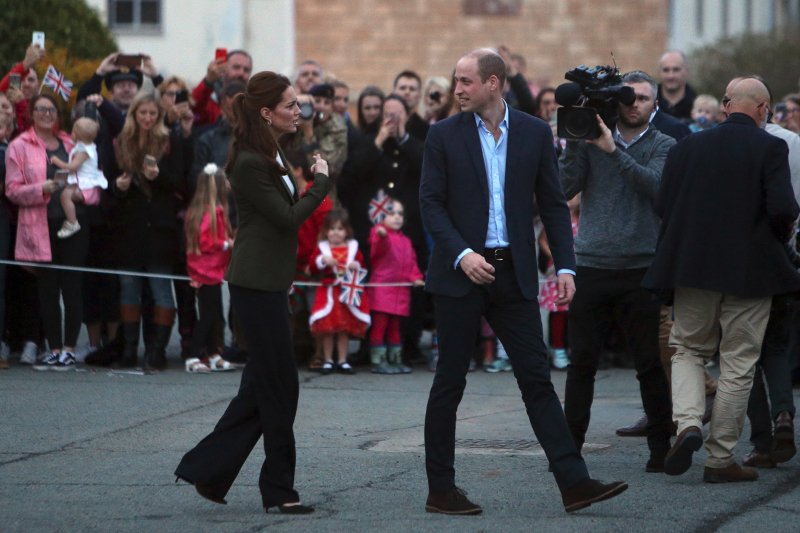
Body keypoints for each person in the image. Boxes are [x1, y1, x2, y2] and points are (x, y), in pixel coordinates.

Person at [419, 48, 626, 515]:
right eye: (456, 81)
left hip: (513, 273)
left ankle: (574, 484)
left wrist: (567, 266)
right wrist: (462, 255)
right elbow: (430, 204)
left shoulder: (533, 133)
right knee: (449, 381)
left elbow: (553, 204)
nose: (457, 90)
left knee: (536, 379)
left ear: (494, 84)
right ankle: (441, 490)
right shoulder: (443, 136)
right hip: (459, 274)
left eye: (466, 81)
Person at [174, 71, 331, 514]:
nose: (298, 112)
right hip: (254, 284)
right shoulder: (248, 160)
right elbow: (286, 217)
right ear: (266, 112)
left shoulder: (270, 151)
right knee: (280, 387)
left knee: (262, 388)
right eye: (290, 105)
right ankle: (278, 490)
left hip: (269, 282)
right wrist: (320, 182)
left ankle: (207, 469)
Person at [643, 77, 800, 483]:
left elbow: (662, 204)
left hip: (691, 269)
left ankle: (689, 423)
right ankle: (720, 458)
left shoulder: (687, 147)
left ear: (726, 105)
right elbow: (784, 208)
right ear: (764, 110)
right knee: (739, 360)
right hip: (751, 272)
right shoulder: (771, 146)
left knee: (688, 350)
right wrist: (775, 240)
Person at [559, 70, 674, 473]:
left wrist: (612, 150)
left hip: (640, 268)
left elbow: (656, 189)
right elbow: (564, 188)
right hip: (591, 264)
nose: (634, 104)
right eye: (628, 98)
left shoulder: (664, 143)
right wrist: (577, 140)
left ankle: (662, 449)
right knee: (581, 365)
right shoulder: (591, 139)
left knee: (648, 364)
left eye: (642, 98)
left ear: (654, 104)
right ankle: (568, 451)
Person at [5, 94, 87, 370]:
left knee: (73, 286)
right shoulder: (19, 146)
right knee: (47, 289)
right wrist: (41, 189)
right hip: (39, 225)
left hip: (71, 223)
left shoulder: (70, 143)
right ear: (31, 113)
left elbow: (89, 178)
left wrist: (82, 196)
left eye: (51, 109)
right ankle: (53, 347)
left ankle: (70, 348)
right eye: (40, 109)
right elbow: (12, 190)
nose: (46, 114)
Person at [108, 92, 187, 370]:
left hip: (160, 227)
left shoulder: (169, 140)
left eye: (153, 114)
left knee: (161, 290)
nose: (148, 118)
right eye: (143, 113)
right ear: (134, 114)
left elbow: (181, 183)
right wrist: (118, 187)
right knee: (128, 289)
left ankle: (157, 351)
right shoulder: (122, 141)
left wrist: (159, 178)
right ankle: (130, 349)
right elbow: (107, 183)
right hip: (129, 226)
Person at [183, 162, 235, 373]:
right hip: (207, 270)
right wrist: (227, 244)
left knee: (213, 314)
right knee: (208, 315)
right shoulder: (212, 212)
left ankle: (214, 354)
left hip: (207, 269)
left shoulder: (203, 210)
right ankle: (193, 355)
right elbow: (206, 242)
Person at [308, 209, 370, 374]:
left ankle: (343, 360)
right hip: (328, 293)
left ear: (347, 231)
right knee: (327, 329)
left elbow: (362, 265)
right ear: (326, 231)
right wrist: (322, 260)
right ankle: (328, 360)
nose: (336, 233)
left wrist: (355, 265)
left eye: (340, 229)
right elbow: (312, 266)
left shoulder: (353, 248)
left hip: (345, 295)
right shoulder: (322, 248)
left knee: (343, 330)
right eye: (332, 229)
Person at [367, 199, 424, 374]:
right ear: (381, 215)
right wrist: (382, 236)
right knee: (380, 326)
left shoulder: (406, 241)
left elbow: (411, 264)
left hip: (401, 292)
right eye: (392, 213)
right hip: (383, 291)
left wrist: (416, 277)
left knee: (395, 328)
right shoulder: (378, 233)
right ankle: (378, 360)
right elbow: (377, 251)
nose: (397, 217)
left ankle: (395, 359)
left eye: (400, 213)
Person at [49, 118, 108, 239]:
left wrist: (57, 161)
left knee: (65, 196)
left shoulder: (84, 151)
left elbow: (72, 167)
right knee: (66, 194)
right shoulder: (86, 146)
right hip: (82, 180)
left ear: (76, 134)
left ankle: (72, 222)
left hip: (86, 183)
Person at [191, 49, 253, 128]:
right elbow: (193, 109)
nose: (241, 73)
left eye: (246, 70)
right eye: (236, 67)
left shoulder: (254, 104)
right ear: (223, 69)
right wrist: (208, 81)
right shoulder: (210, 99)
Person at [656, 50, 696, 123]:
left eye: (676, 70)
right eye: (666, 70)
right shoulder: (649, 103)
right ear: (659, 72)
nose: (671, 76)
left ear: (686, 71)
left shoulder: (697, 105)